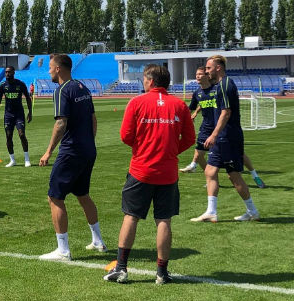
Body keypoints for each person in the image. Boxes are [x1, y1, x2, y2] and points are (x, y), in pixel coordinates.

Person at [104, 64, 194, 284]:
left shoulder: (137, 102)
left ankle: (122, 269)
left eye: (144, 79)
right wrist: (170, 151)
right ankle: (162, 273)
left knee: (131, 216)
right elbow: (190, 139)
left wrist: (144, 149)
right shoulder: (179, 105)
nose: (143, 82)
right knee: (164, 220)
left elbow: (126, 135)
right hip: (168, 173)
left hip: (141, 170)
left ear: (151, 81)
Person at [38, 54, 107, 261]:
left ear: (58, 68)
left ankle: (63, 250)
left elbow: (61, 123)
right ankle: (98, 240)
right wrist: (88, 142)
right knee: (82, 194)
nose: (48, 71)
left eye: (50, 67)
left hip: (71, 151)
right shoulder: (82, 87)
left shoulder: (62, 90)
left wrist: (49, 151)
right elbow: (93, 119)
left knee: (55, 197)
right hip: (88, 150)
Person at [190, 55, 260, 223]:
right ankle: (211, 211)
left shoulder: (225, 84)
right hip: (222, 137)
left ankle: (252, 210)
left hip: (227, 137)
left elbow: (226, 112)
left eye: (208, 68)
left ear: (218, 68)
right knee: (210, 171)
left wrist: (214, 135)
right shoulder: (219, 85)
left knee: (233, 175)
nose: (206, 72)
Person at [179, 67, 266, 189]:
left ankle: (255, 175)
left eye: (200, 74)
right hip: (206, 127)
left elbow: (225, 108)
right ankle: (211, 178)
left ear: (207, 75)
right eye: (196, 74)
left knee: (239, 154)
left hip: (221, 127)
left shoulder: (217, 89)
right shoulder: (197, 92)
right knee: (199, 154)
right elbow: (194, 106)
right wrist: (189, 116)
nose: (197, 76)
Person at [0, 66, 33, 167]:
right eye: (6, 72)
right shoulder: (3, 86)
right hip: (8, 115)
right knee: (8, 137)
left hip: (19, 114)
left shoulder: (20, 84)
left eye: (9, 72)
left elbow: (28, 98)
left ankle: (27, 159)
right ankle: (12, 160)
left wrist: (30, 112)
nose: (7, 74)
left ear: (14, 72)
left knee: (22, 134)